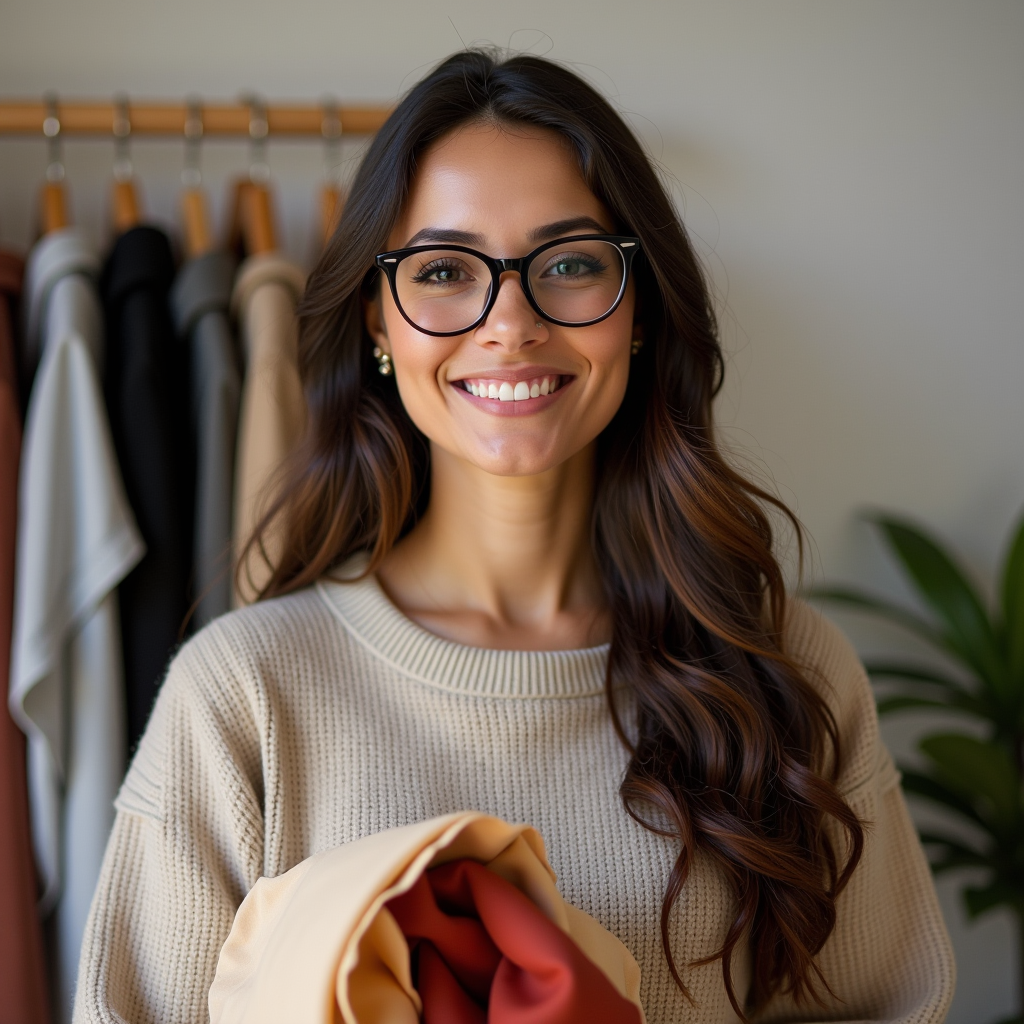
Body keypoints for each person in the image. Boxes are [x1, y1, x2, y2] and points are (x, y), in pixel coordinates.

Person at [74, 50, 954, 1024]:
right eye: (445, 270)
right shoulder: (241, 698)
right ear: (379, 319)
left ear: (641, 309)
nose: (510, 321)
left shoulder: (788, 671)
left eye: (570, 264)